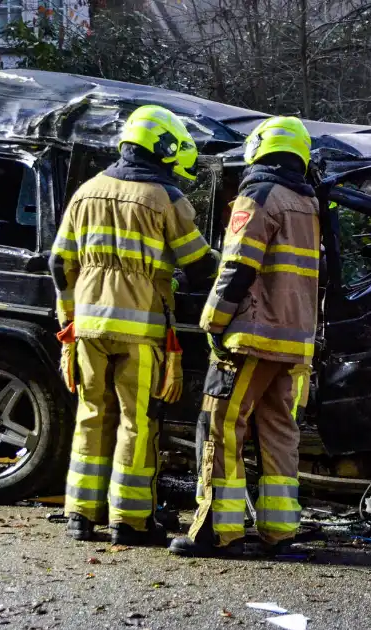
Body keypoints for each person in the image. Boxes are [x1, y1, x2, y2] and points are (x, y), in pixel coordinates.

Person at [51, 105, 217, 545]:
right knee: (136, 421)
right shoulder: (165, 198)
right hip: (141, 332)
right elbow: (200, 265)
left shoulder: (86, 191)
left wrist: (68, 318)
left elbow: (58, 262)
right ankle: (130, 520)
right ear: (161, 148)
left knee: (91, 416)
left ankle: (80, 517)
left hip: (87, 327)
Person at [169, 116, 319, 558]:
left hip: (250, 336)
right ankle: (280, 532)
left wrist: (213, 323)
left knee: (221, 425)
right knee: (278, 431)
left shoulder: (258, 196)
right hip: (292, 341)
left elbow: (237, 267)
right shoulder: (307, 203)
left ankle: (216, 529)